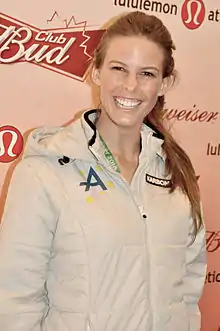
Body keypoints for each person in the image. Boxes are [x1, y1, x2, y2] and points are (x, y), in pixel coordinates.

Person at [0, 10, 206, 331]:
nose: (130, 86)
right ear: (97, 72)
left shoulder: (175, 172)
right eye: (118, 69)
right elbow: (14, 302)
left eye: (147, 74)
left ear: (164, 83)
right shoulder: (44, 171)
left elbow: (189, 285)